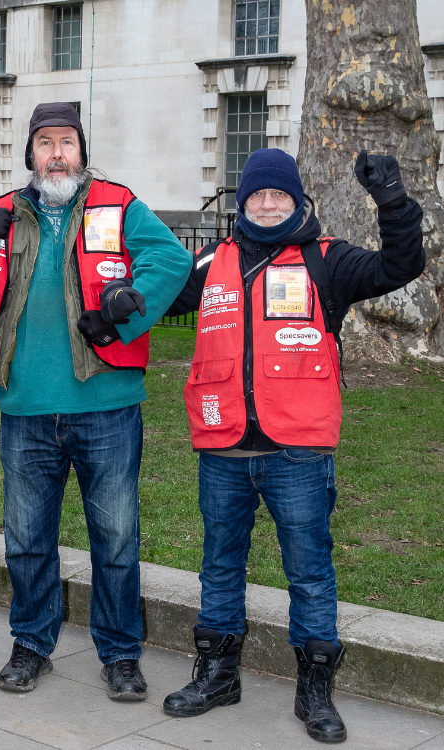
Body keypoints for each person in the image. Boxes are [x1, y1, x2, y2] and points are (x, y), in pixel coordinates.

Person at [160, 148, 425, 744]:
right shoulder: (212, 261)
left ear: (298, 200)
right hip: (224, 448)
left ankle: (316, 690)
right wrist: (119, 299)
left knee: (309, 574)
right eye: (258, 195)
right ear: (243, 202)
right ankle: (218, 674)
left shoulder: (326, 260)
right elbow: (157, 294)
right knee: (219, 568)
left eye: (280, 194)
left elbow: (400, 266)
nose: (270, 203)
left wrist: (393, 203)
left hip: (298, 452)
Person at [0, 102, 192, 698]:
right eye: (45, 142)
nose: (57, 153)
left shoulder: (118, 203)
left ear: (82, 150)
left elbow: (173, 261)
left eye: (67, 142)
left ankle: (121, 653)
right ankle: (31, 644)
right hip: (25, 408)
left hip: (106, 406)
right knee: (27, 540)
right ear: (30, 153)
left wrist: (122, 314)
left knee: (117, 540)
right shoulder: (3, 211)